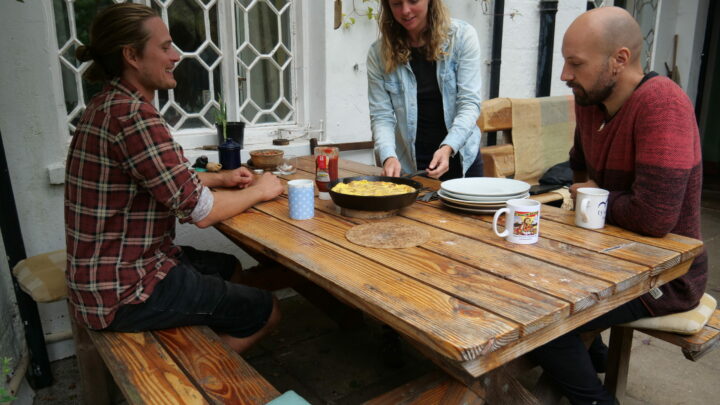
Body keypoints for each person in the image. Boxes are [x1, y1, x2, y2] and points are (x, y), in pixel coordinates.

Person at [64, 3, 284, 354]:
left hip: (110, 272)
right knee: (267, 309)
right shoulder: (134, 116)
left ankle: (214, 332)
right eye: (165, 47)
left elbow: (165, 178)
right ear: (132, 55)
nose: (177, 55)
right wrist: (261, 189)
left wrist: (223, 178)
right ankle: (202, 381)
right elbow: (202, 213)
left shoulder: (109, 103)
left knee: (229, 267)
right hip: (123, 290)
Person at [529, 7, 707, 405]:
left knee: (543, 324)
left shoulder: (664, 105)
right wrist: (590, 194)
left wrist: (595, 198)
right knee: (520, 280)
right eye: (564, 61)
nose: (564, 75)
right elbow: (578, 170)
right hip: (605, 257)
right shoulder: (589, 100)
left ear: (620, 60)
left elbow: (654, 216)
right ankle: (595, 357)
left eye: (575, 63)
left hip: (665, 275)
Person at [367, 0, 483, 180]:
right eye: (396, 4)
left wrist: (447, 148)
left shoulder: (462, 37)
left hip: (461, 159)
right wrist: (389, 156)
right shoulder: (378, 54)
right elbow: (381, 116)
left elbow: (469, 103)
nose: (405, 11)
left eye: (413, 1)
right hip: (412, 165)